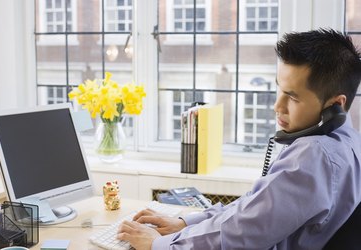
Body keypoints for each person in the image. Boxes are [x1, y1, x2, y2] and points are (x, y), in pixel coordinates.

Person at [117, 28, 361, 249]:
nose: (278, 106)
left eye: (293, 97)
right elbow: (251, 209)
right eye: (280, 90)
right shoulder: (349, 143)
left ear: (335, 105)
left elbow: (240, 234)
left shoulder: (313, 155)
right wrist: (185, 224)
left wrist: (158, 244)